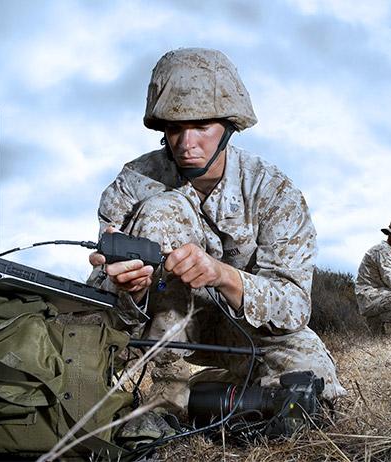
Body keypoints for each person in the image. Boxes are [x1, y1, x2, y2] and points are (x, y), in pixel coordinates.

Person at [87, 47, 346, 415]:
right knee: (164, 209)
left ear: (229, 127)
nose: (186, 144)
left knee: (311, 397)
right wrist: (130, 288)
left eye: (201, 127)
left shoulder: (273, 191)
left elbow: (293, 306)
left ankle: (206, 391)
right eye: (175, 129)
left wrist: (222, 275)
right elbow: (102, 297)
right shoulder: (133, 185)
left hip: (245, 329)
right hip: (165, 327)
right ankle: (166, 398)